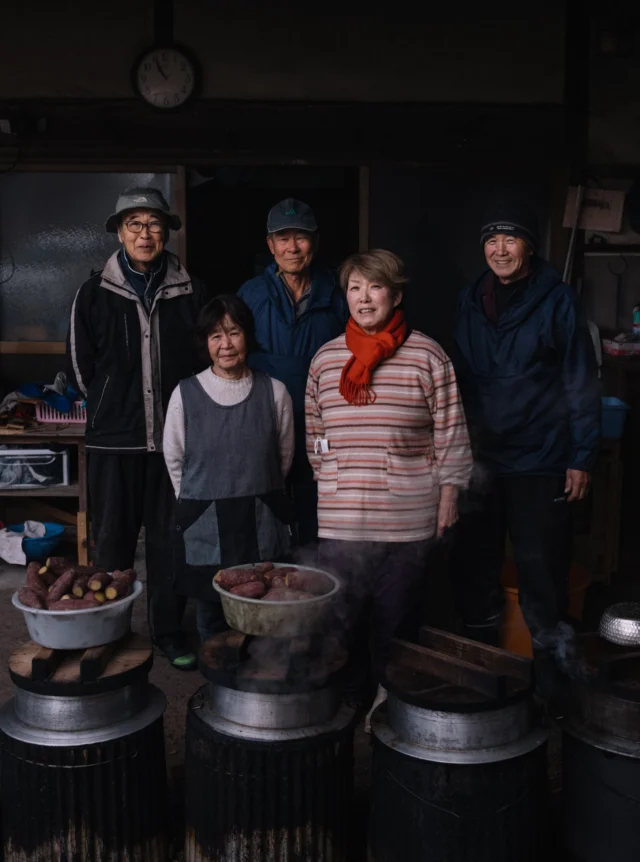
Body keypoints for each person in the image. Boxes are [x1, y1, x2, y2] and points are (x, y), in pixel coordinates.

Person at [305, 249, 472, 715]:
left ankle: (388, 699)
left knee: (395, 619)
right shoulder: (325, 359)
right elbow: (314, 435)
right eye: (354, 288)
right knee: (340, 618)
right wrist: (339, 483)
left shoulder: (427, 355)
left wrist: (448, 497)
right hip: (341, 520)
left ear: (395, 295)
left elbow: (452, 432)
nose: (363, 298)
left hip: (406, 519)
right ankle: (349, 697)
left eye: (374, 287)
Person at [451, 202, 600, 696]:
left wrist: (581, 456)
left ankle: (552, 690)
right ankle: (484, 679)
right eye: (491, 240)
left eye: (510, 239)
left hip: (541, 457)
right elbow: (459, 382)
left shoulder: (558, 301)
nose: (499, 249)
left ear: (530, 246)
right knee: (475, 569)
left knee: (542, 573)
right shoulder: (472, 299)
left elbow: (581, 380)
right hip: (480, 459)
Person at [67, 187, 210, 669]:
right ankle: (108, 631)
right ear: (120, 232)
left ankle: (169, 634)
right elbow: (81, 365)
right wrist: (108, 409)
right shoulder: (94, 293)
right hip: (115, 443)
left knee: (171, 544)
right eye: (134, 224)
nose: (144, 233)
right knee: (112, 543)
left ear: (167, 232)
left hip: (174, 445)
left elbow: (202, 363)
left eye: (153, 224)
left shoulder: (191, 290)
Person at [163, 294, 295, 643]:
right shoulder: (185, 394)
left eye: (234, 333)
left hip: (261, 518)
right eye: (215, 336)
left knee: (265, 610)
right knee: (211, 615)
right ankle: (218, 685)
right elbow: (174, 459)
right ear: (205, 343)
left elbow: (284, 457)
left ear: (247, 336)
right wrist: (198, 498)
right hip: (205, 519)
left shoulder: (275, 392)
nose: (226, 345)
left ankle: (260, 687)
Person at [238, 199, 348, 548]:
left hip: (324, 422)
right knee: (266, 503)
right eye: (282, 238)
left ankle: (316, 585)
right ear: (270, 245)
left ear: (315, 241)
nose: (292, 247)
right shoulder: (250, 294)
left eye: (300, 237)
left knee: (318, 504)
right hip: (265, 418)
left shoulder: (340, 293)